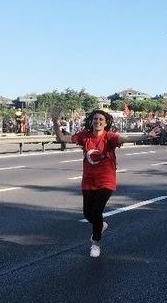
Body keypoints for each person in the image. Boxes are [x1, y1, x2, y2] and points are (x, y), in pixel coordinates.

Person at [51, 108, 160, 258]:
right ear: (92, 121)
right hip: (89, 180)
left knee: (96, 211)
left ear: (106, 122)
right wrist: (56, 123)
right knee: (88, 214)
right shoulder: (85, 136)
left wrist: (145, 136)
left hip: (106, 180)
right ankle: (101, 225)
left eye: (101, 119)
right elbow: (61, 139)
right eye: (95, 119)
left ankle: (95, 244)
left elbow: (126, 139)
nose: (98, 121)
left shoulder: (110, 137)